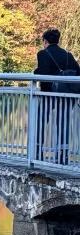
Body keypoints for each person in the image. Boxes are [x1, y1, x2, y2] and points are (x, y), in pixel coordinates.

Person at [35, 28, 80, 165]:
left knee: (42, 122)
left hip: (48, 94)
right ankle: (64, 156)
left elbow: (42, 73)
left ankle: (38, 153)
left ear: (45, 41)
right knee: (63, 124)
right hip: (66, 95)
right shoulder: (67, 55)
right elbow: (77, 72)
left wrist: (35, 71)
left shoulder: (43, 54)